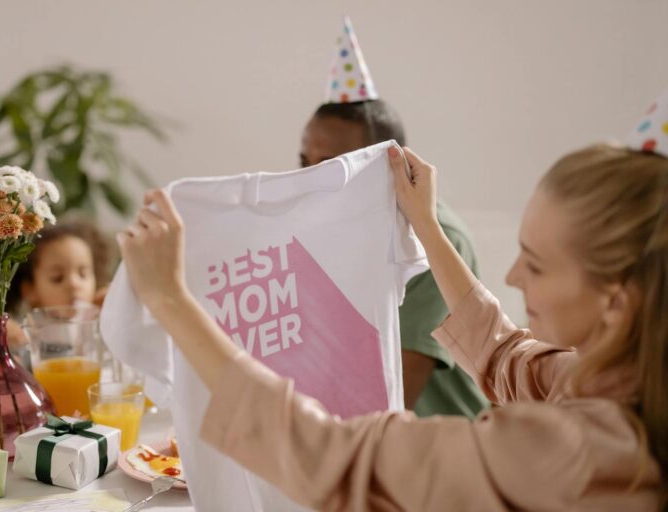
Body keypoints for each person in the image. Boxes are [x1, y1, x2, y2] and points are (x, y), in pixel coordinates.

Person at [116, 139, 666, 510]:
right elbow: (509, 357)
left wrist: (173, 301)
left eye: (537, 264)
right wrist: (425, 225)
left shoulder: (576, 452)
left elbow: (338, 457)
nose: (514, 274)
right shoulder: (630, 382)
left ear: (617, 303)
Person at [300, 16, 488, 416]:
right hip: (354, 438)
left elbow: (393, 396)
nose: (309, 178)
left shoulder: (438, 238)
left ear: (389, 163)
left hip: (441, 448)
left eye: (330, 165)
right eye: (305, 161)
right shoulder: (320, 231)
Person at [0, 220, 112, 362]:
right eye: (57, 277)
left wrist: (120, 312)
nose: (75, 284)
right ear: (30, 290)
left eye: (83, 274)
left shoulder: (101, 324)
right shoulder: (21, 331)